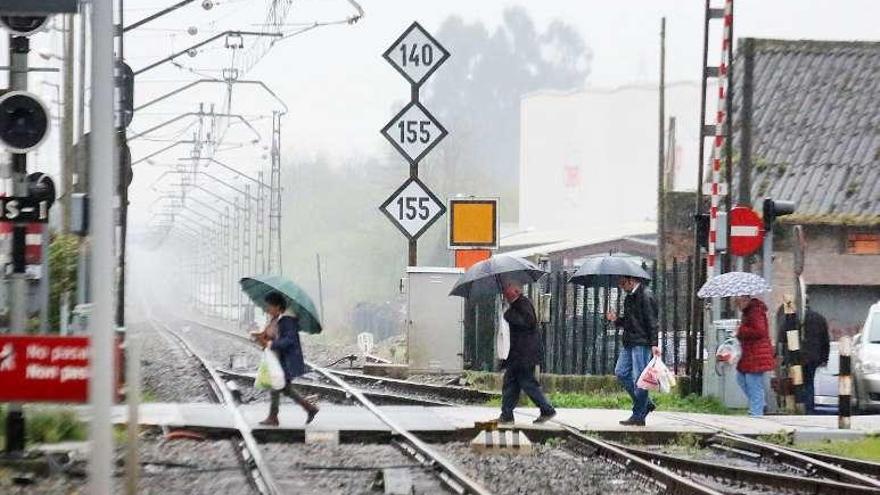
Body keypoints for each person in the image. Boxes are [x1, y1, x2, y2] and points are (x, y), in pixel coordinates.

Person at [254, 291, 319, 426]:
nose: (267, 309)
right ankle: (309, 408)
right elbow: (271, 334)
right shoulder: (275, 319)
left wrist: (271, 343)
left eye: (270, 306)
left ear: (278, 306)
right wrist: (261, 337)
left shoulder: (288, 320)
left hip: (287, 360)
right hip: (278, 358)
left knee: (277, 386)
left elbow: (290, 340)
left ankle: (273, 417)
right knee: (284, 388)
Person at [498, 279, 556, 425]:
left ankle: (547, 409)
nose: (505, 292)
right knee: (511, 383)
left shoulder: (523, 303)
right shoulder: (516, 305)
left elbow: (529, 322)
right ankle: (506, 415)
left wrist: (508, 314)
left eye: (507, 288)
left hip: (525, 354)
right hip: (518, 355)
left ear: (516, 290)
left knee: (527, 383)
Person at [607, 275, 661, 426]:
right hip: (630, 341)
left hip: (642, 343)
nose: (621, 287)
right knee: (621, 372)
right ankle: (646, 403)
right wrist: (616, 320)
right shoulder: (630, 298)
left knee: (640, 380)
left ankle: (638, 415)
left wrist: (654, 343)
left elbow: (652, 321)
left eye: (623, 283)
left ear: (632, 281)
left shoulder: (646, 295)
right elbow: (631, 321)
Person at [732, 295, 775, 417]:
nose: (738, 307)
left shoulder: (755, 311)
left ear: (745, 300)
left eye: (738, 303)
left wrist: (740, 330)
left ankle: (756, 413)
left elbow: (760, 331)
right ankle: (759, 404)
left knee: (753, 383)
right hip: (750, 353)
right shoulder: (748, 312)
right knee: (741, 378)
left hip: (756, 354)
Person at [801, 306, 830, 414]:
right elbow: (825, 339)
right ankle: (809, 409)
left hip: (797, 355)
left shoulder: (794, 317)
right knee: (809, 382)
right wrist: (824, 358)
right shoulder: (819, 318)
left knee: (801, 383)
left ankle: (801, 406)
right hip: (814, 356)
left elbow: (782, 335)